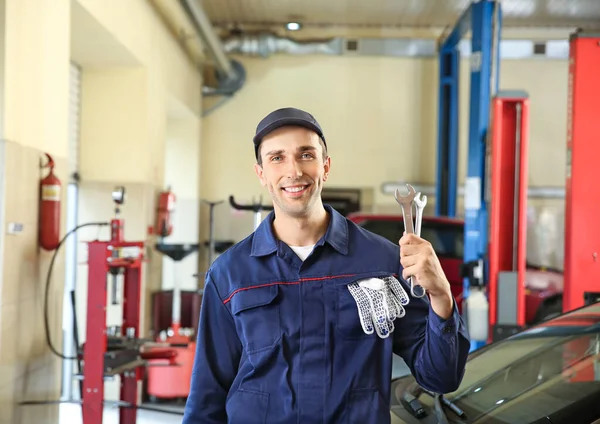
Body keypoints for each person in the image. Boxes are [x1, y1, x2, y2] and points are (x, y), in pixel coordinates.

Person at [182, 107, 470, 424]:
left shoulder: (382, 263)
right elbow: (207, 398)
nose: (294, 171)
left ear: (326, 166)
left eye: (306, 154)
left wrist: (441, 296)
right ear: (261, 173)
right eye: (277, 158)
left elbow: (440, 378)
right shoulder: (231, 274)